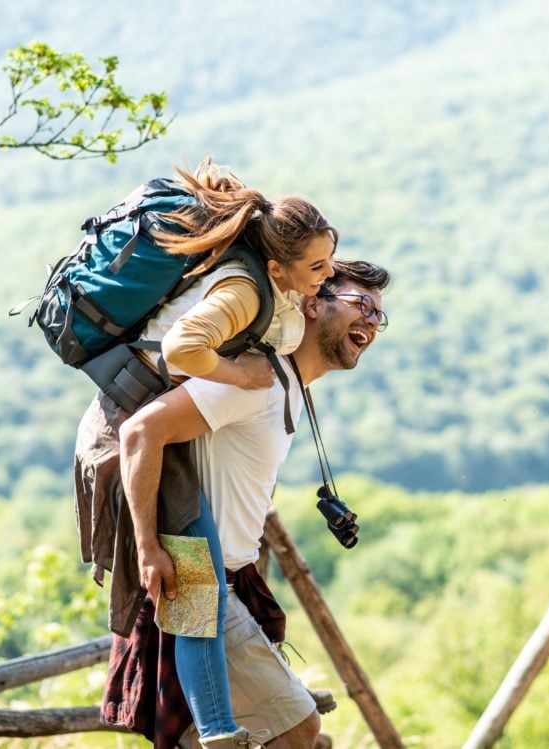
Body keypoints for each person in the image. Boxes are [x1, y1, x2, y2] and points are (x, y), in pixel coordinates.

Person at [74, 160, 338, 745]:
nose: (326, 277)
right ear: (277, 267)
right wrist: (236, 376)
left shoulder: (268, 283)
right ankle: (218, 733)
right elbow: (181, 346)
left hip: (148, 428)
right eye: (316, 267)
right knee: (198, 589)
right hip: (129, 432)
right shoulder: (245, 289)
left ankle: (215, 729)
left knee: (201, 588)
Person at [107, 260, 391, 748]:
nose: (371, 320)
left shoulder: (287, 388)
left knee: (225, 738)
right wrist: (147, 548)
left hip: (227, 582)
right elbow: (140, 431)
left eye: (379, 315)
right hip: (197, 581)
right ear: (313, 301)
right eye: (360, 304)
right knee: (297, 726)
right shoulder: (254, 381)